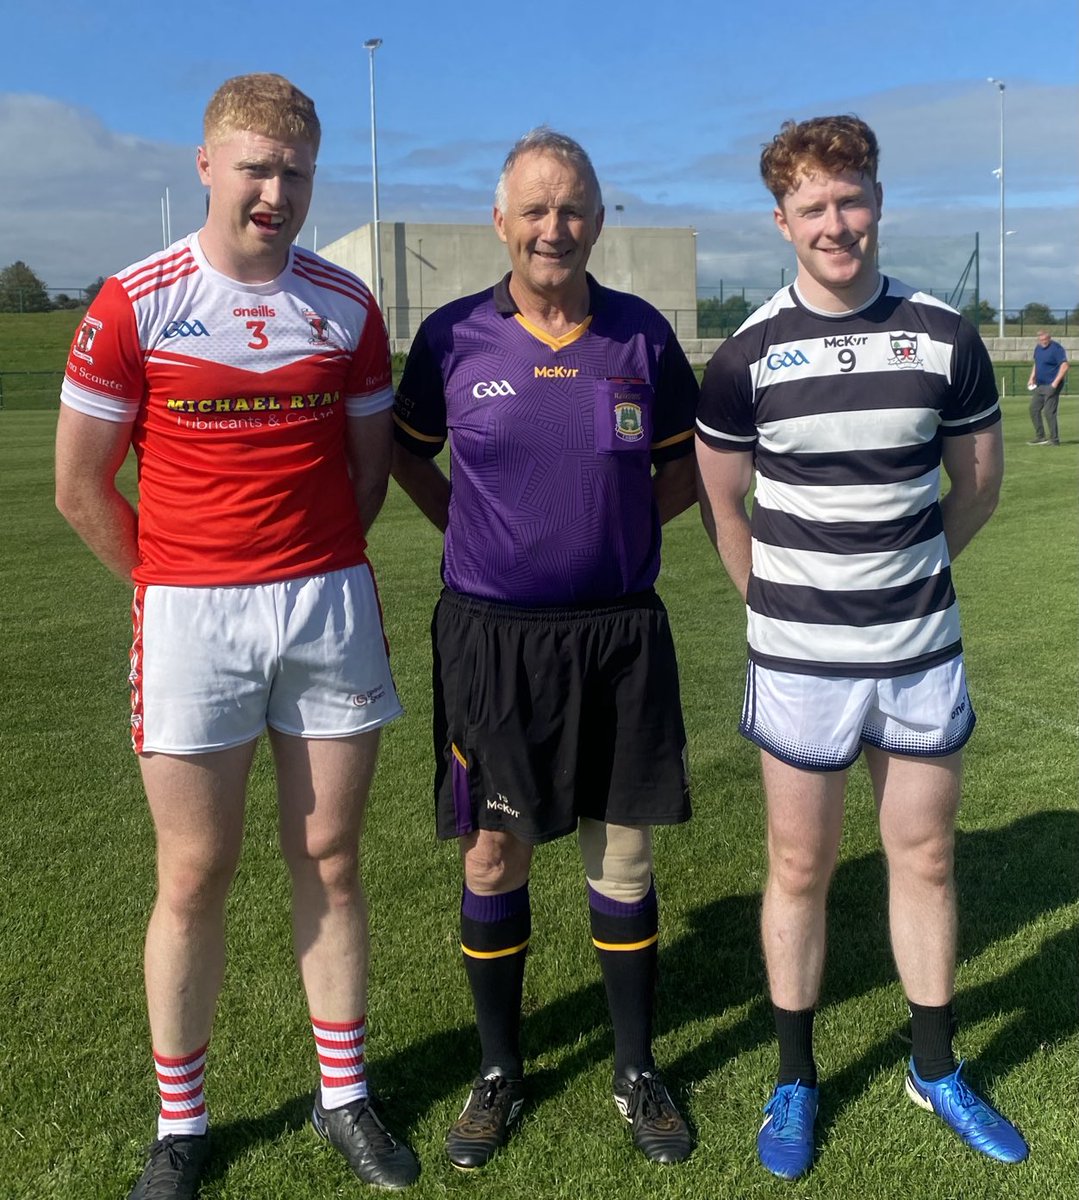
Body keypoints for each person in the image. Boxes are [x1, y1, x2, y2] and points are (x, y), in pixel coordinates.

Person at [55, 74, 419, 1198]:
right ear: (205, 165)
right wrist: (175, 586)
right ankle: (182, 1125)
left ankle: (344, 1098)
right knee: (195, 871)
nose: (275, 191)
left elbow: (366, 477)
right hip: (188, 620)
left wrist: (299, 570)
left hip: (324, 608)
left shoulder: (346, 306)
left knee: (330, 860)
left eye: (295, 173)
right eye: (255, 167)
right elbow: (81, 488)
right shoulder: (134, 301)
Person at [695, 115, 1028, 1180]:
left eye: (850, 199)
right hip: (797, 666)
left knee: (923, 859)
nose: (834, 223)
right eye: (811, 207)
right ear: (780, 220)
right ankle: (793, 1076)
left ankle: (931, 1066)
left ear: (875, 201)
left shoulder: (942, 335)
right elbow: (720, 502)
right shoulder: (746, 352)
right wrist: (777, 610)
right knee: (798, 866)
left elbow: (974, 486)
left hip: (916, 653)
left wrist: (908, 583)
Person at [391, 128, 697, 1170]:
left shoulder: (641, 337)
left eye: (570, 208)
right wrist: (471, 530)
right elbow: (404, 450)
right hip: (493, 641)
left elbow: (686, 464)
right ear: (499, 222)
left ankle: (633, 1067)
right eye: (533, 209)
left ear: (598, 219)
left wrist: (619, 538)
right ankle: (497, 1071)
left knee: (622, 850)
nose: (551, 228)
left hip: (617, 636)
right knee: (492, 849)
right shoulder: (450, 338)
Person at [1026, 329, 1068, 444]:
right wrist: (1032, 377)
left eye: (1045, 340)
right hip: (1040, 385)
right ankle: (1040, 436)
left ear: (1049, 338)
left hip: (1052, 384)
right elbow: (1037, 363)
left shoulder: (1056, 349)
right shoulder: (1038, 348)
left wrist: (1054, 384)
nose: (1043, 342)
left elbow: (1064, 366)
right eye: (1041, 340)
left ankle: (1054, 439)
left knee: (1049, 412)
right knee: (1033, 409)